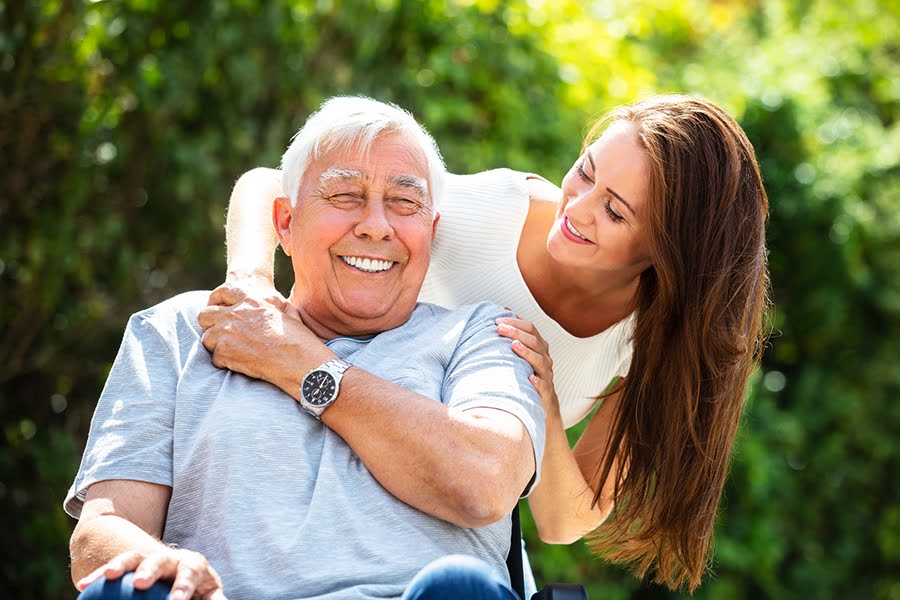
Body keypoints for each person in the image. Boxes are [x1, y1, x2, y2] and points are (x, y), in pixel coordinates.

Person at [209, 94, 771, 592]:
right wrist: (253, 286)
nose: (576, 208)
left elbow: (563, 520)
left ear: (666, 253)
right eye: (585, 171)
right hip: (331, 448)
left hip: (455, 513)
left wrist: (543, 406)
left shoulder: (649, 346)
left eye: (615, 210)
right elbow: (270, 185)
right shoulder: (494, 211)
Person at [64, 96, 546, 600]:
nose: (376, 224)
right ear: (286, 223)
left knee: (460, 589)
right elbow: (101, 533)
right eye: (344, 196)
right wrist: (156, 561)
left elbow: (485, 481)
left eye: (404, 202)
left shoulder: (483, 334)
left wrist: (300, 362)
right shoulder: (179, 328)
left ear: (431, 229)